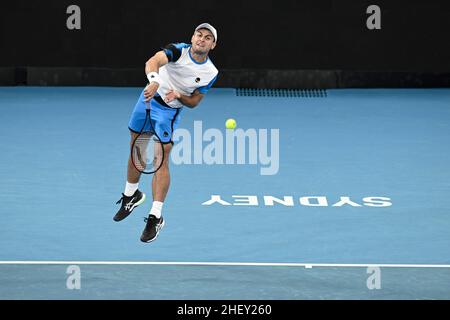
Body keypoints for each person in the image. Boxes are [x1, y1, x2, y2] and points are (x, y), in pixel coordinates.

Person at [114, 23, 219, 243]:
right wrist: (155, 81)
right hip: (148, 99)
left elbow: (194, 102)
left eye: (207, 37)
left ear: (213, 45)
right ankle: (131, 194)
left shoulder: (211, 73)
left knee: (160, 157)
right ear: (192, 37)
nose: (201, 39)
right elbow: (153, 62)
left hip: (168, 112)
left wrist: (179, 95)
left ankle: (156, 216)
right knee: (136, 148)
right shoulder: (177, 50)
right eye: (199, 35)